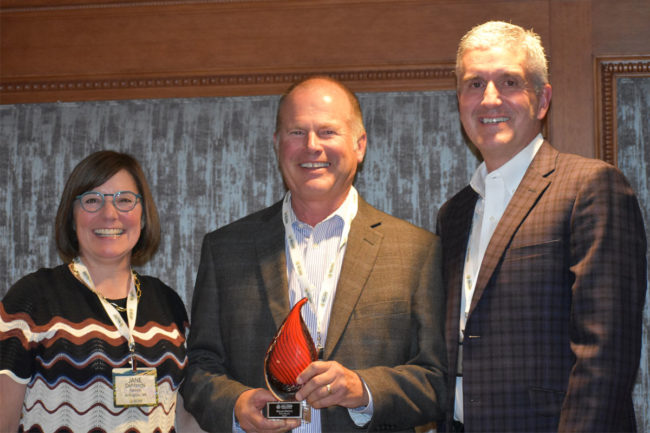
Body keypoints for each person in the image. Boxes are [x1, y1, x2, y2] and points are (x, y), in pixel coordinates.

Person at [181, 76, 447, 433]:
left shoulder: (416, 251)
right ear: (277, 144)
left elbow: (435, 380)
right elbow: (200, 367)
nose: (311, 146)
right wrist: (236, 404)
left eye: (327, 132)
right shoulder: (225, 249)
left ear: (360, 145)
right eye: (296, 133)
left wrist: (363, 390)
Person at [436, 20, 647, 432]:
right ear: (459, 98)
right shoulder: (455, 214)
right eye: (474, 84)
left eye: (509, 82)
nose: (489, 99)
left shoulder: (590, 186)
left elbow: (605, 353)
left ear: (542, 99)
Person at [0, 151, 189, 432]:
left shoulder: (168, 302)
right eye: (92, 200)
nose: (110, 214)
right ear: (71, 216)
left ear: (144, 215)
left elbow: (181, 417)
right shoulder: (32, 299)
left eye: (124, 200)